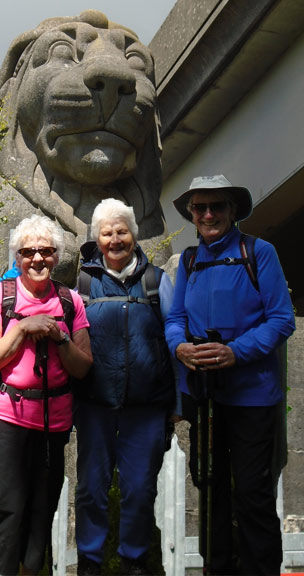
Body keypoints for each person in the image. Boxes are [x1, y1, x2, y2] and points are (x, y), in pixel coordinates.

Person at [165, 175, 296, 575]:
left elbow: (281, 319)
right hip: (206, 397)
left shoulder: (260, 252)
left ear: (233, 210)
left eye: (217, 207)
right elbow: (175, 319)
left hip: (254, 397)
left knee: (254, 496)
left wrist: (234, 352)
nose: (208, 214)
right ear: (191, 214)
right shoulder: (189, 260)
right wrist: (180, 347)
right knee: (211, 490)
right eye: (200, 208)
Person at [0, 214, 92, 576]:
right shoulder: (0, 294)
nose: (37, 259)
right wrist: (23, 328)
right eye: (28, 252)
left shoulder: (71, 301)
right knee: (11, 504)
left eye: (46, 251)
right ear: (18, 257)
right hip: (6, 416)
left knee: (43, 506)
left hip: (53, 419)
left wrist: (59, 337)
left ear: (56, 256)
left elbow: (83, 367)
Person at [73, 198, 178, 576]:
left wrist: (177, 401)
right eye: (107, 233)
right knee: (90, 490)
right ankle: (90, 561)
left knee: (139, 490)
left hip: (146, 406)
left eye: (122, 231)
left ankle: (135, 561)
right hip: (95, 405)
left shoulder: (155, 281)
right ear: (96, 240)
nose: (115, 239)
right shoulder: (84, 282)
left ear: (133, 235)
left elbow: (174, 337)